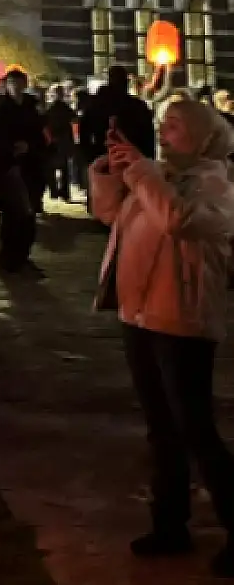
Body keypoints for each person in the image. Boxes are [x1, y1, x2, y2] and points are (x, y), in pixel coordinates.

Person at [92, 98, 234, 575]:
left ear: (201, 135)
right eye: (163, 125)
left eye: (175, 127)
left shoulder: (215, 181)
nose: (165, 133)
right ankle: (170, 524)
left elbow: (179, 221)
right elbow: (117, 217)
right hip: (141, 315)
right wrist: (111, 174)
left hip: (181, 319)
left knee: (196, 429)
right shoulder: (161, 175)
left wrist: (142, 174)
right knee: (162, 430)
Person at [0, 69, 47, 274]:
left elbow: (41, 135)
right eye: (12, 82)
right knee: (11, 212)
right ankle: (9, 255)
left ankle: (22, 254)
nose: (15, 86)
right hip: (7, 166)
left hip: (30, 165)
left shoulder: (32, 107)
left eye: (19, 82)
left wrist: (29, 146)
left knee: (29, 213)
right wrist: (10, 148)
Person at [81, 64, 158, 167]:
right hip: (133, 162)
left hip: (103, 161)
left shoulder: (95, 106)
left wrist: (91, 158)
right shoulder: (138, 106)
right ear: (126, 82)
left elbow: (84, 135)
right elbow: (149, 137)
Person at [43, 83, 79, 202]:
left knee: (52, 168)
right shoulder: (65, 108)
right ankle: (63, 192)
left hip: (53, 140)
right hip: (62, 140)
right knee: (63, 167)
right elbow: (74, 120)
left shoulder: (50, 108)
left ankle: (54, 191)